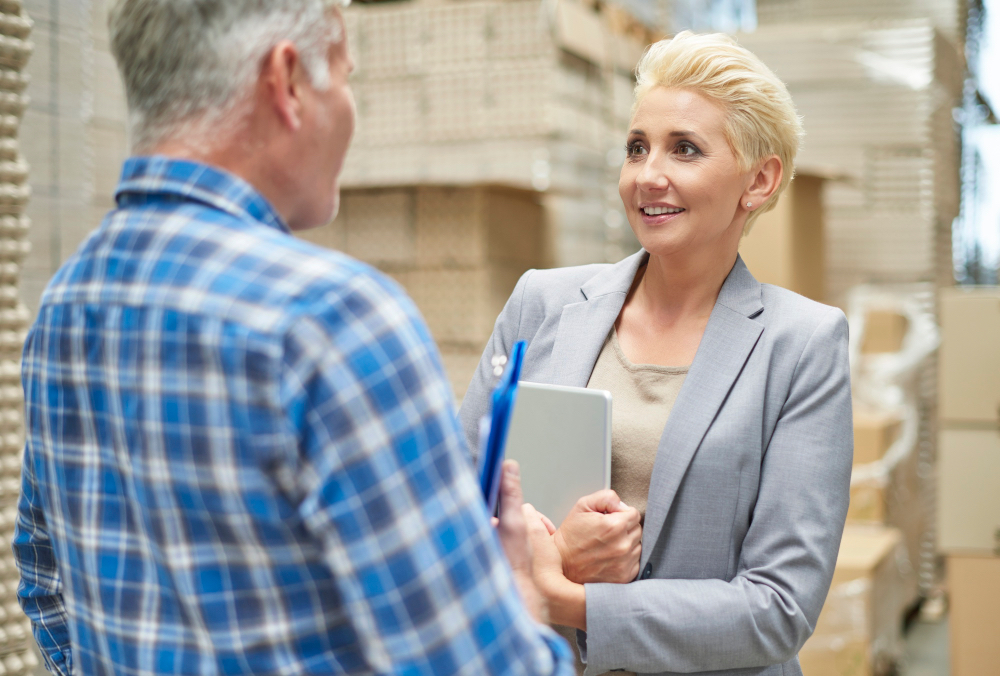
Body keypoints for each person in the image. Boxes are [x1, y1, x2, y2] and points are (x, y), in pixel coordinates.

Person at [12, 1, 576, 674]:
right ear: (286, 80)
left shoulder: (67, 302)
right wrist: (517, 587)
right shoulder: (334, 319)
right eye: (343, 75)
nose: (350, 111)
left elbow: (45, 584)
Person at [459, 32, 854, 676]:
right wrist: (548, 547)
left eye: (685, 149)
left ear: (759, 180)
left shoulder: (802, 346)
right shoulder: (543, 303)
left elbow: (778, 608)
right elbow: (450, 499)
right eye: (636, 147)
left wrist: (572, 598)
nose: (648, 176)